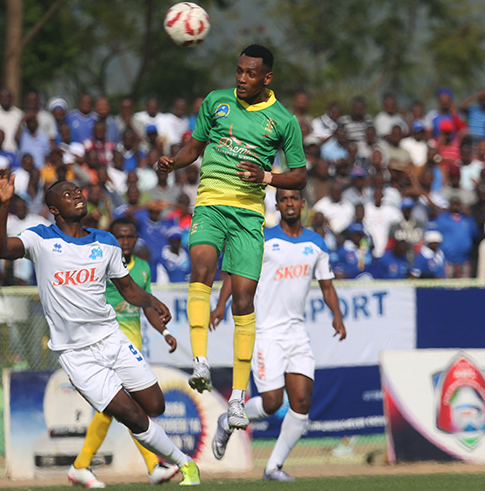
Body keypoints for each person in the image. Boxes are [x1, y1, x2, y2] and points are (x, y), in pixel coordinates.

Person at [0, 171, 200, 485]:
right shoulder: (40, 238)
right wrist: (3, 205)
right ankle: (185, 465)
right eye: (67, 193)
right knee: (131, 414)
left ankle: (156, 463)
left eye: (78, 191)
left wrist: (151, 301)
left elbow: (128, 289)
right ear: (54, 210)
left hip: (112, 339)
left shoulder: (106, 241)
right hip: (76, 354)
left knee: (156, 405)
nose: (77, 195)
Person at [155, 44, 307, 429]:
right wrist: (175, 160)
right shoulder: (216, 101)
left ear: (266, 78)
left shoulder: (283, 121)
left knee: (243, 299)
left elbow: (300, 175)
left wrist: (267, 177)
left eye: (250, 73)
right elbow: (195, 146)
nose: (241, 79)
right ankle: (200, 362)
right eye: (238, 71)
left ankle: (238, 399)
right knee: (202, 268)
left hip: (248, 215)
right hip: (210, 204)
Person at [208, 188, 345, 481]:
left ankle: (273, 467)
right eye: (283, 199)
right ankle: (226, 421)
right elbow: (234, 272)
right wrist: (221, 305)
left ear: (303, 204)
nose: (289, 203)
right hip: (265, 332)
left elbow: (327, 286)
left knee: (302, 403)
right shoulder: (264, 240)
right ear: (277, 204)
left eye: (294, 198)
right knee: (271, 403)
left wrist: (337, 315)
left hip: (296, 332)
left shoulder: (316, 244)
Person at [68, 216, 182, 486]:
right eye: (120, 237)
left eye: (130, 237)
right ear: (112, 238)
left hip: (132, 349)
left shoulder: (142, 267)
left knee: (122, 409)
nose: (126, 242)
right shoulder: (102, 264)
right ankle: (152, 466)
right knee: (125, 408)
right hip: (106, 347)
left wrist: (164, 332)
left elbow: (147, 306)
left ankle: (81, 466)